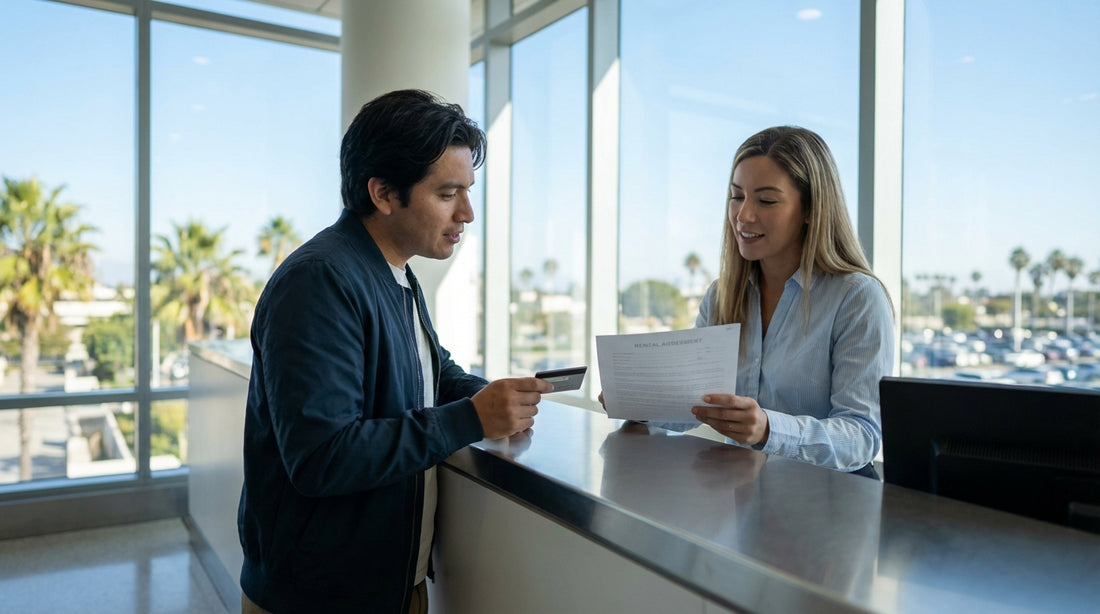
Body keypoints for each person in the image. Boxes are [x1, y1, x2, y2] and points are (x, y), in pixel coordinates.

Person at [238, 89, 553, 614]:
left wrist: (496, 398)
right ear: (383, 193)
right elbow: (322, 456)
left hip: (390, 583)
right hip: (320, 599)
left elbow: (432, 372)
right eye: (448, 193)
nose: (468, 213)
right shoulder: (319, 282)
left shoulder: (396, 272)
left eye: (468, 192)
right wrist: (468, 420)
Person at [607, 126, 893, 478]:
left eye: (766, 200)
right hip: (744, 502)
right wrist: (638, 401)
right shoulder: (722, 295)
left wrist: (768, 429)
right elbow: (696, 406)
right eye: (736, 196)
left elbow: (861, 437)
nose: (743, 215)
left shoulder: (857, 297)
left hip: (831, 506)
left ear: (810, 210)